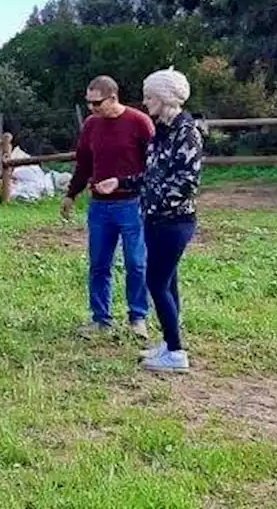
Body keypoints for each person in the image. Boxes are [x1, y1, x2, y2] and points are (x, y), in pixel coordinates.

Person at [93, 66, 204, 373]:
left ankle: (177, 354)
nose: (145, 102)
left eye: (150, 96)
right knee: (169, 283)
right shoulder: (163, 132)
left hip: (175, 221)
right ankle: (170, 344)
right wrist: (122, 182)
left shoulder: (187, 133)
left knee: (155, 282)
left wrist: (153, 201)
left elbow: (187, 183)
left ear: (165, 97)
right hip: (155, 219)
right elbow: (152, 176)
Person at [62, 75, 156, 340]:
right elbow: (83, 164)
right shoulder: (91, 126)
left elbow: (153, 166)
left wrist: (133, 188)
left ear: (113, 98)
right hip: (100, 207)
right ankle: (101, 318)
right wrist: (71, 194)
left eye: (96, 103)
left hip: (131, 204)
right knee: (99, 264)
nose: (92, 109)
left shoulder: (139, 123)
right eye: (89, 103)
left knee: (136, 263)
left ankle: (138, 317)